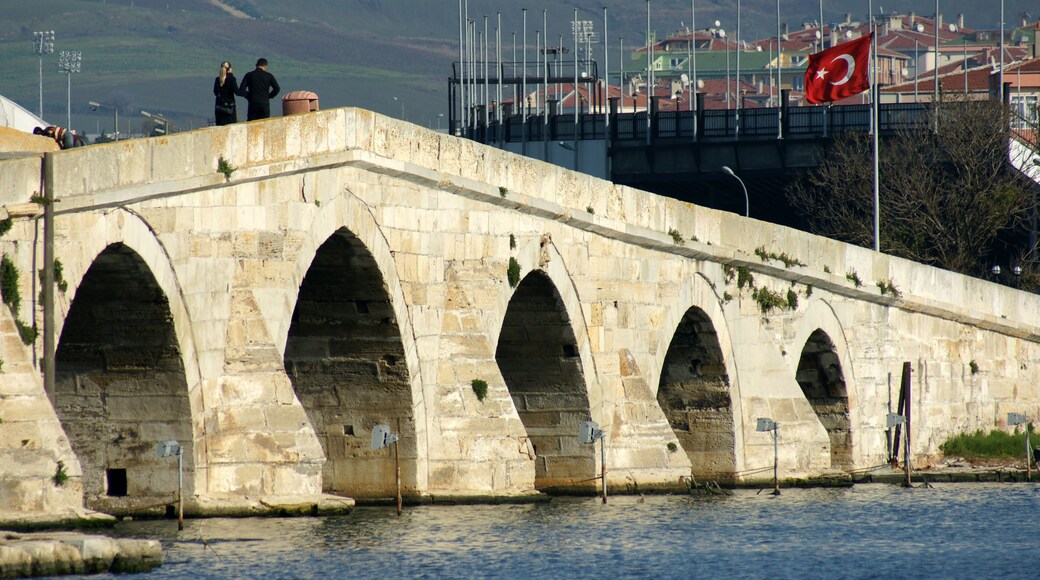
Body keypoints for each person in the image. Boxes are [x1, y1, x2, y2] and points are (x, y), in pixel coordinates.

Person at [213, 61, 238, 126]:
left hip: (219, 108)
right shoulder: (231, 79)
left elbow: (215, 92)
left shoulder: (217, 80)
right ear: (229, 69)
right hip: (230, 108)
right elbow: (237, 91)